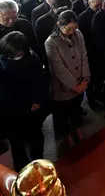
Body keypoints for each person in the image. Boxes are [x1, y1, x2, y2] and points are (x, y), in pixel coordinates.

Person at [0, 31, 44, 172]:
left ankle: (39, 162)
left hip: (31, 106)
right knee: (16, 142)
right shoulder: (2, 62)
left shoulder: (32, 59)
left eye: (18, 54)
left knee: (36, 137)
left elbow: (39, 80)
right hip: (10, 110)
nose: (14, 58)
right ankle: (22, 169)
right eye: (11, 55)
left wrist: (38, 99)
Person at [45, 10, 90, 147]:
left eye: (73, 28)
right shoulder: (51, 42)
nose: (71, 31)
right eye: (67, 28)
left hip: (80, 81)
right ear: (59, 24)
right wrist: (75, 86)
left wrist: (85, 78)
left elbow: (83, 55)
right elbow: (58, 69)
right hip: (63, 86)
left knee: (76, 108)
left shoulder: (78, 34)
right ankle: (66, 135)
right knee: (62, 114)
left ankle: (77, 128)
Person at [78, 0, 103, 110]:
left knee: (99, 76)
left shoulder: (102, 14)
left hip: (100, 51)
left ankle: (98, 94)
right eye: (96, 6)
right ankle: (91, 100)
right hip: (90, 53)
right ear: (89, 3)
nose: (98, 8)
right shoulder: (83, 17)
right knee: (90, 79)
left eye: (100, 5)